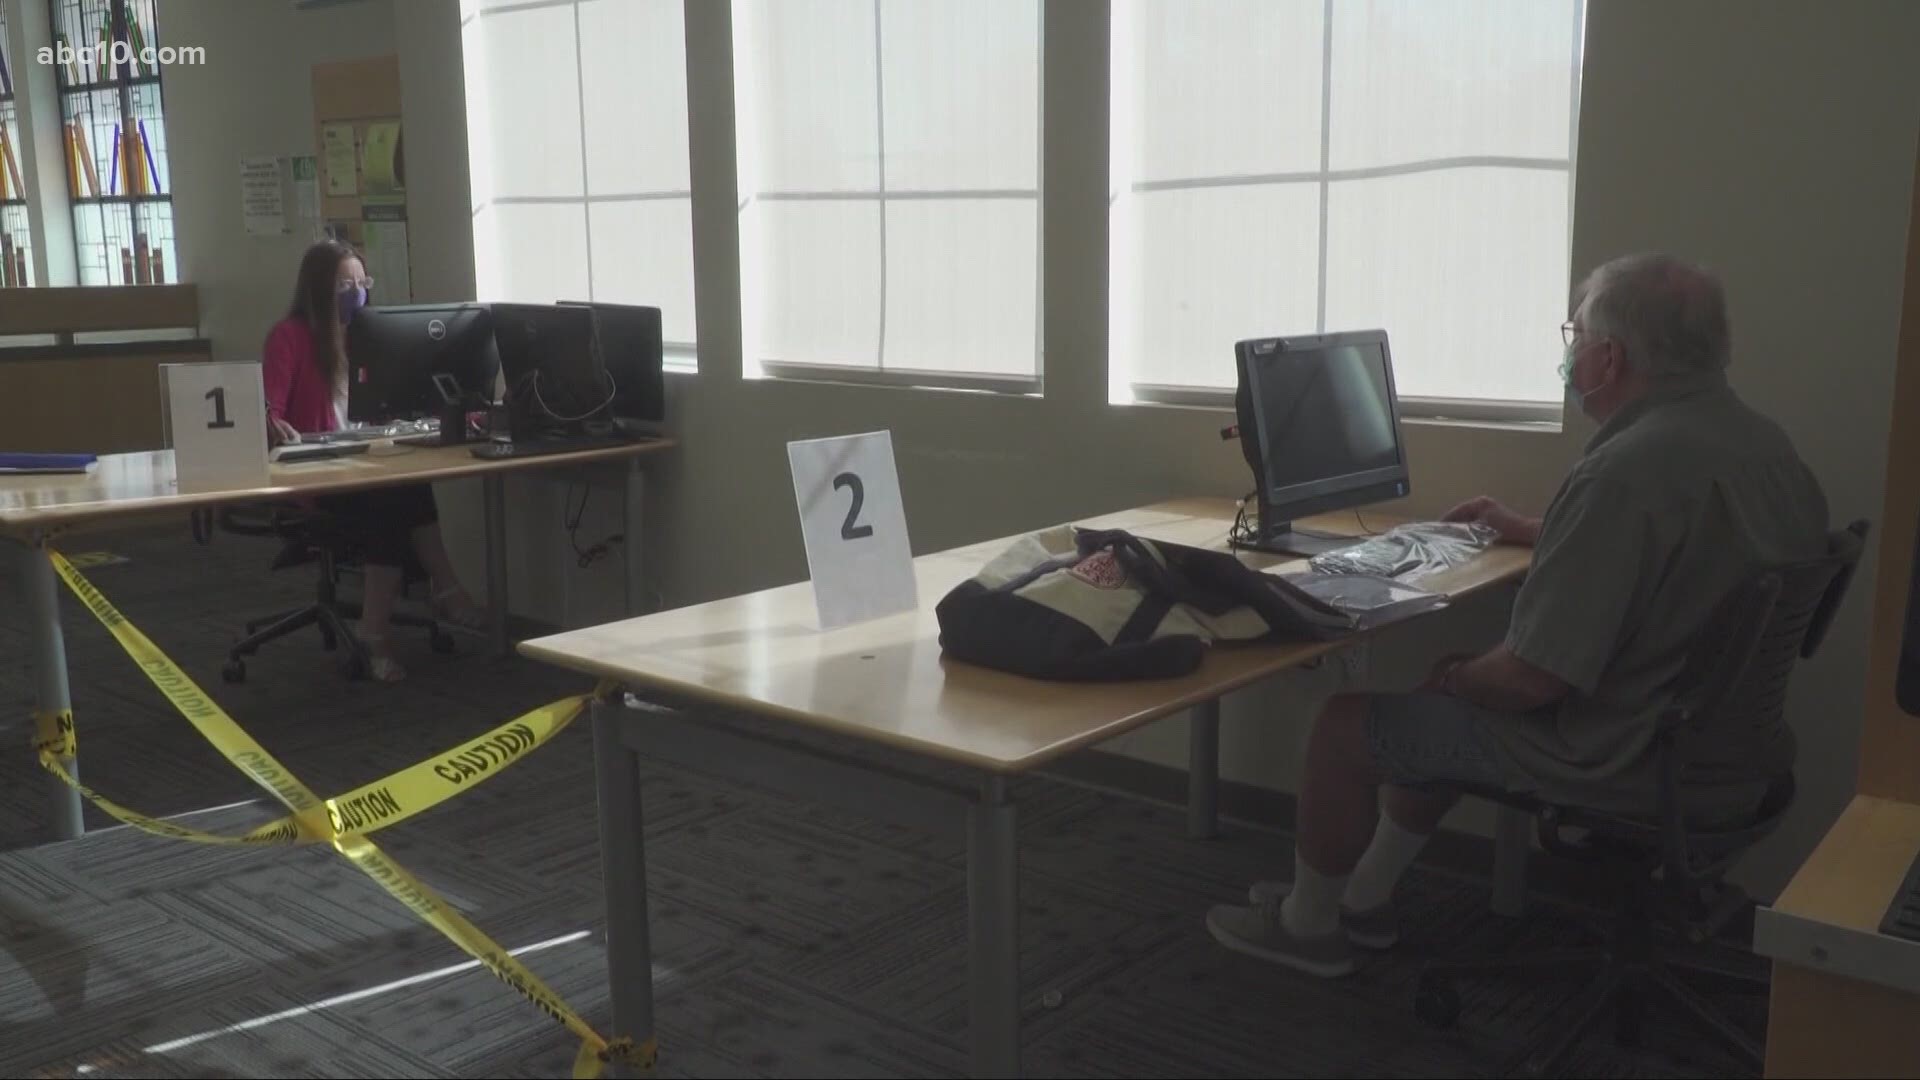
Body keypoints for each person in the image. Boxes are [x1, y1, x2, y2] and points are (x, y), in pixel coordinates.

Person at [1207, 253, 1831, 977]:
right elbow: (1693, 550)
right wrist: (1542, 529)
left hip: (1618, 755)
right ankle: (1365, 899)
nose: (1570, 353)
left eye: (1576, 336)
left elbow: (1533, 680)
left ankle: (1307, 927)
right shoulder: (1765, 447)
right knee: (1438, 703)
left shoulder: (1622, 474)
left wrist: (1459, 678)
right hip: (1727, 751)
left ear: (1608, 357)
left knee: (1352, 723)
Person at [262, 239, 487, 683]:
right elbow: (267, 407)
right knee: (393, 498)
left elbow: (392, 400)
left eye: (362, 281)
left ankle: (390, 618)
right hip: (314, 473)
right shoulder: (289, 336)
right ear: (319, 287)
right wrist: (273, 422)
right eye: (345, 283)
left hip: (365, 464)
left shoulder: (370, 335)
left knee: (405, 483)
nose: (357, 291)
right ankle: (406, 614)